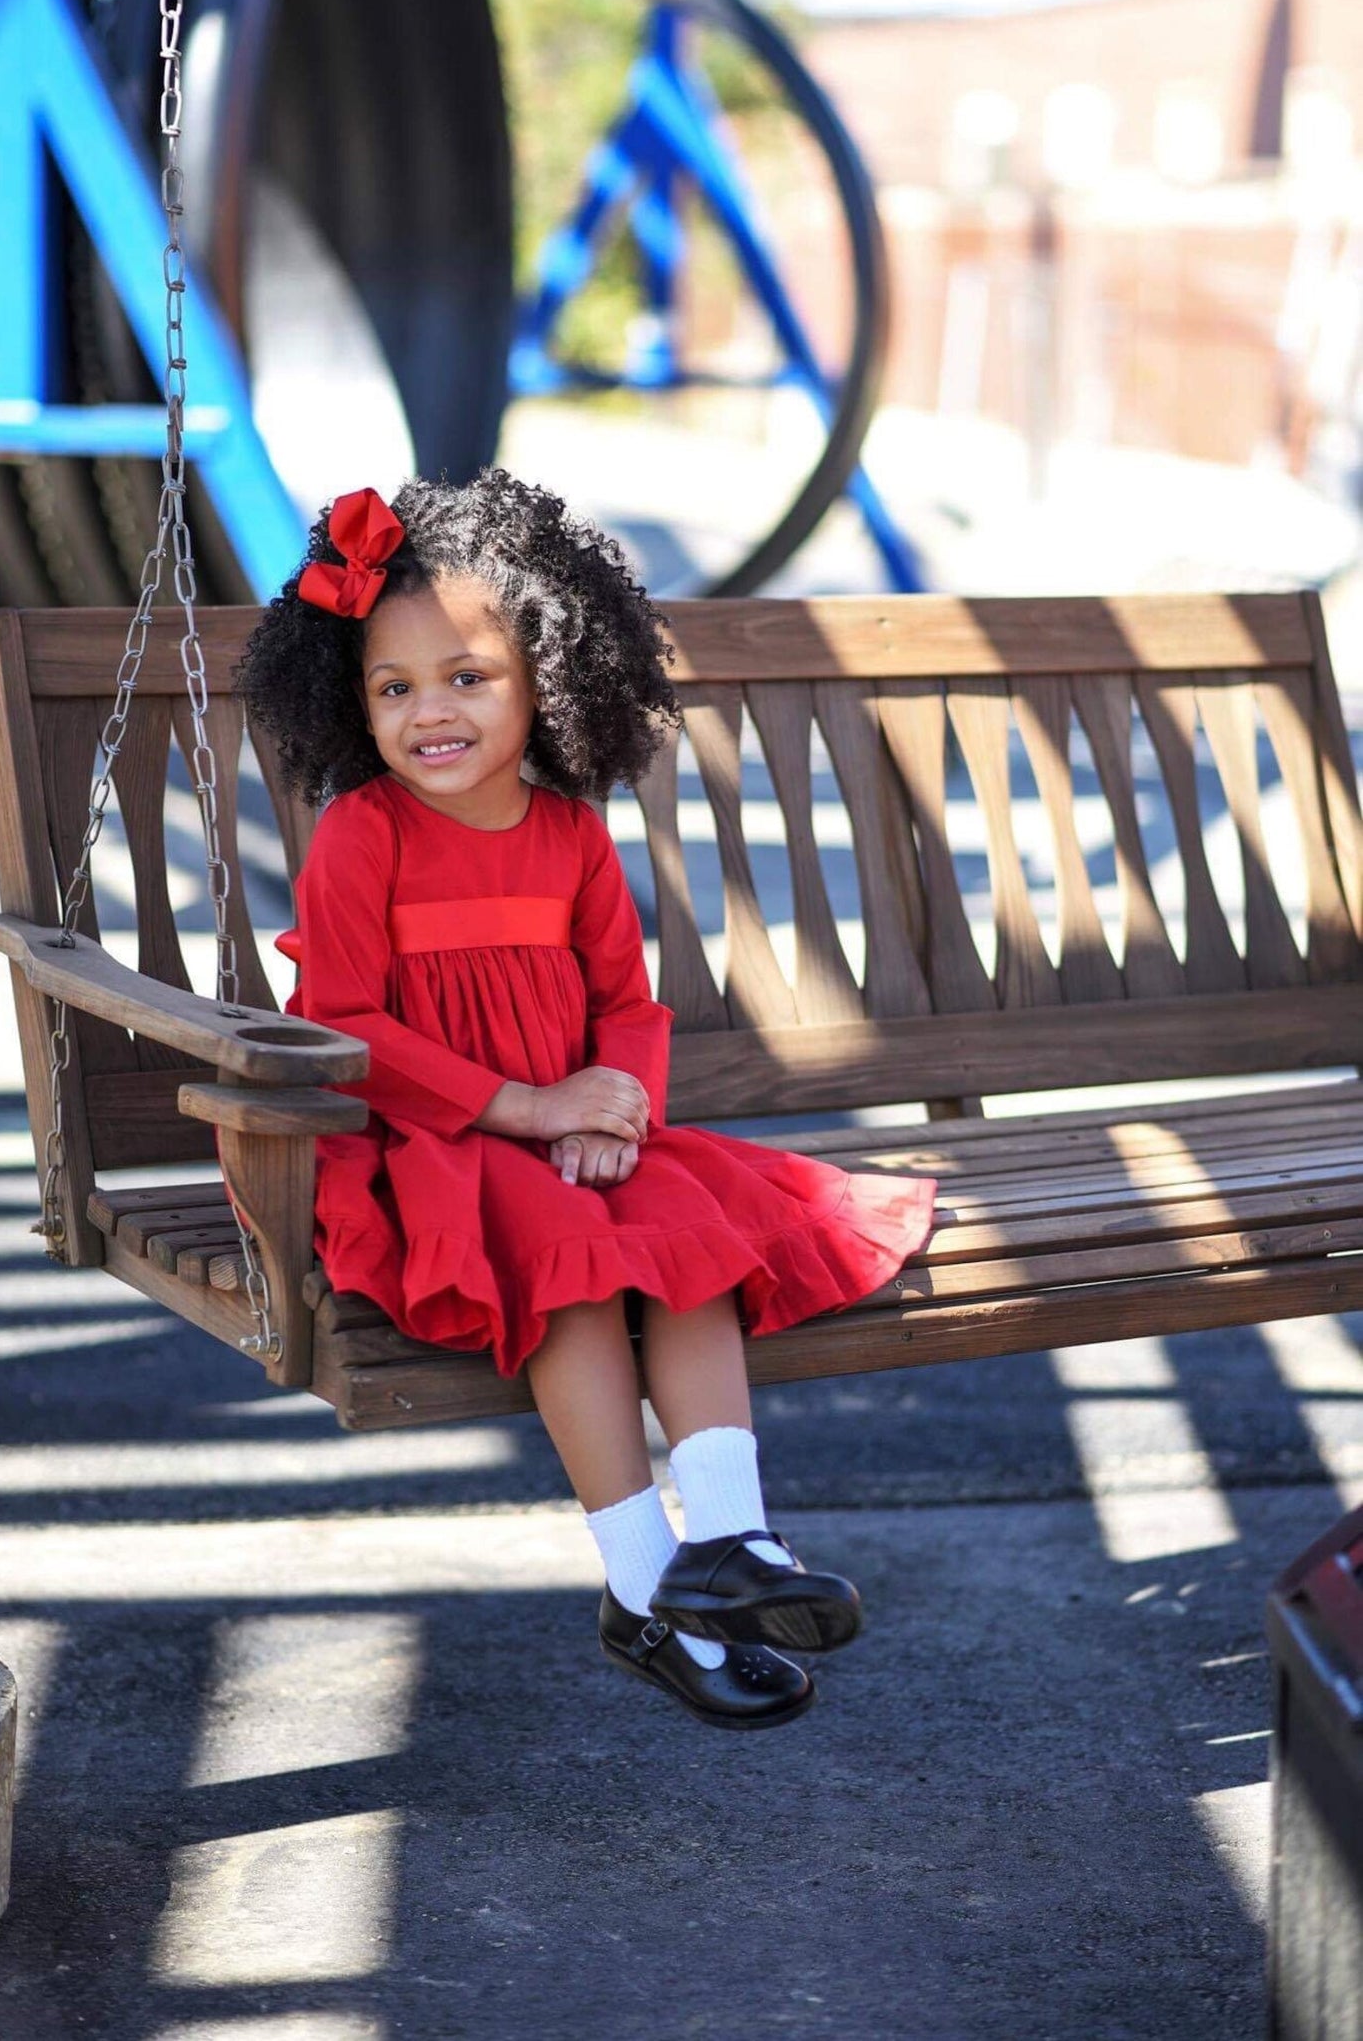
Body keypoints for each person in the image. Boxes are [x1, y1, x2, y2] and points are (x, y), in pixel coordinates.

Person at [237, 469, 936, 1732]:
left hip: (576, 1127)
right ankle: (641, 1588)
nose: (427, 712)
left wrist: (612, 1111)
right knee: (565, 1261)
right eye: (392, 688)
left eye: (465, 676)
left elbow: (624, 1000)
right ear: (350, 702)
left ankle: (731, 1544)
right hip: (433, 1138)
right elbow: (342, 1023)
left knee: (685, 1242)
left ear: (547, 679)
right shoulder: (364, 834)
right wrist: (523, 1108)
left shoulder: (567, 834)